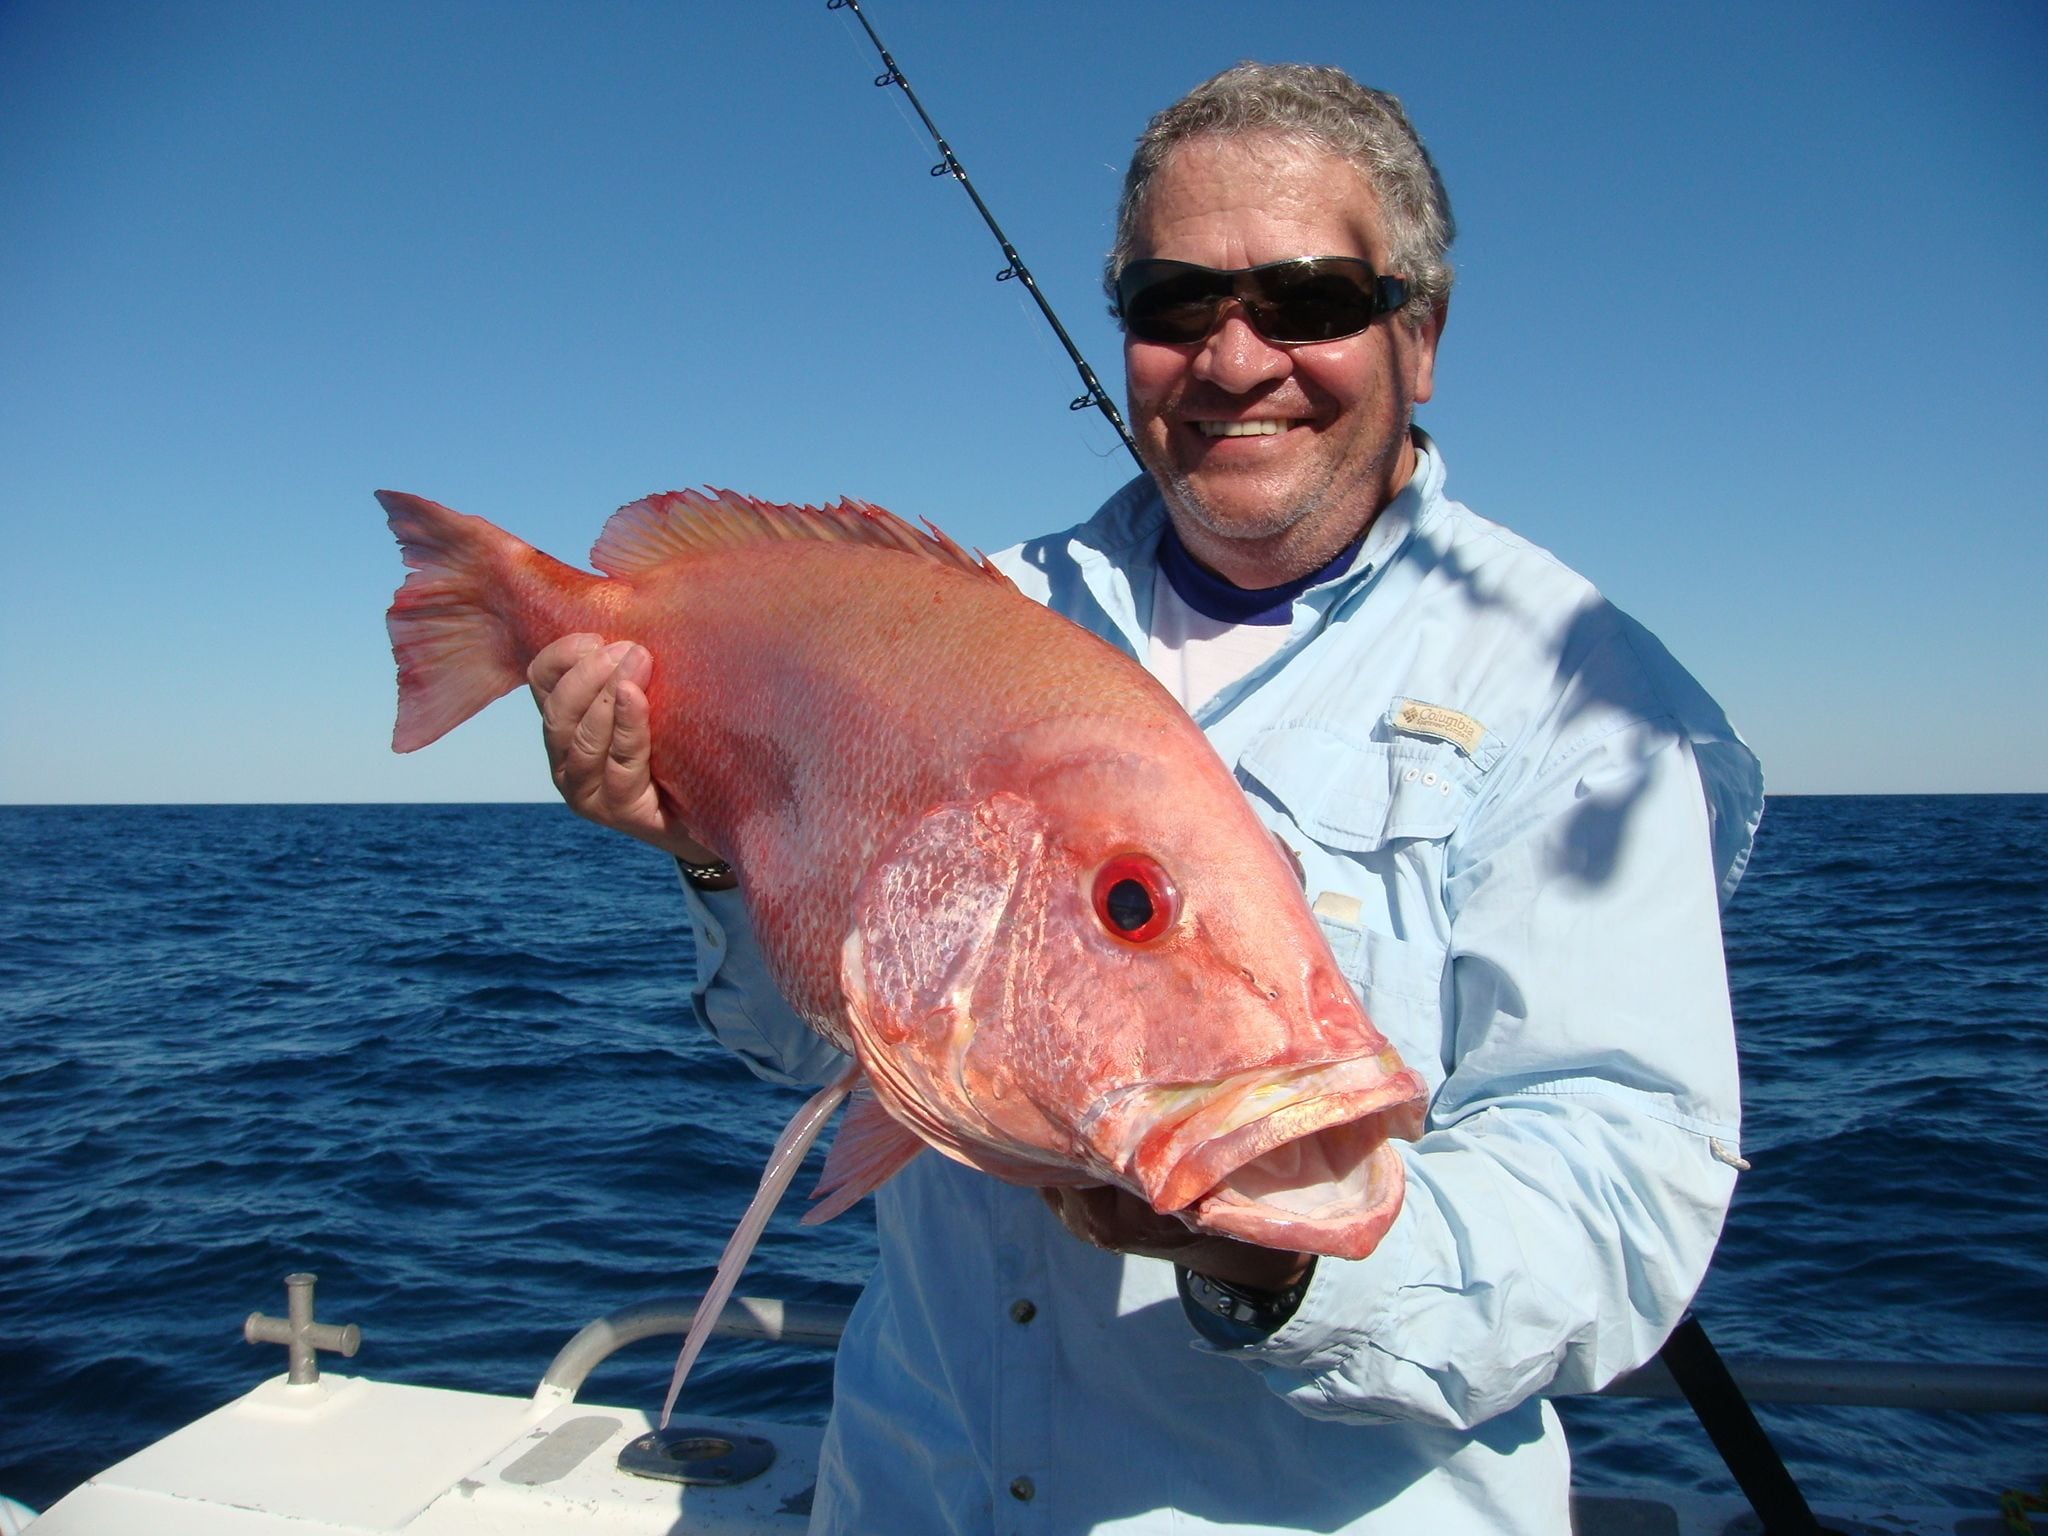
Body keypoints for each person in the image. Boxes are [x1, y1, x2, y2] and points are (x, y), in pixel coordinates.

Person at [529, 63, 1763, 1536]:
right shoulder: (979, 610)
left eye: (1306, 299)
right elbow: (820, 1063)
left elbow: (1626, 1190)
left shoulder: (1576, 691)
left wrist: (1287, 1265)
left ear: (1418, 334)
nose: (1236, 359)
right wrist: (718, 862)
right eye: (1176, 303)